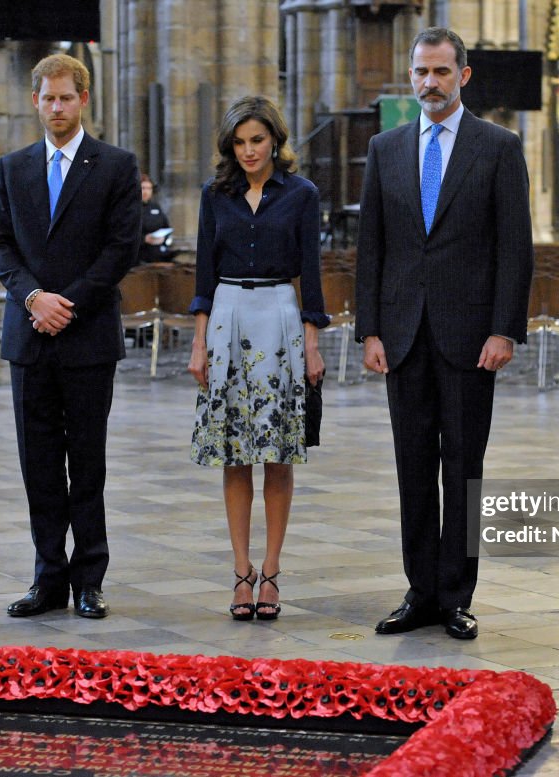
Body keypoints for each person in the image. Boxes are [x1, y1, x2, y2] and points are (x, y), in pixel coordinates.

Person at [355, 27, 533, 640]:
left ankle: (457, 594)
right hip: (402, 335)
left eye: (440, 72)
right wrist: (369, 329)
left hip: (468, 337)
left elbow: (515, 248)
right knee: (411, 466)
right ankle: (420, 590)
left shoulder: (498, 147)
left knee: (462, 466)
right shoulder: (386, 147)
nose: (428, 83)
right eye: (420, 72)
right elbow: (372, 246)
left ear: (464, 75)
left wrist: (505, 329)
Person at [0, 53, 141, 620]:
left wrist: (66, 303)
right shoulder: (12, 167)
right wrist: (33, 298)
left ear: (84, 100)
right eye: (48, 98)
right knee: (40, 462)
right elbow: (0, 244)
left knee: (88, 462)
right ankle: (47, 576)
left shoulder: (115, 165)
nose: (57, 107)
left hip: (87, 335)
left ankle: (88, 579)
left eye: (67, 98)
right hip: (29, 336)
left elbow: (121, 248)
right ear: (35, 101)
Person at [187, 96, 327, 621]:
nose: (249, 150)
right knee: (233, 451)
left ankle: (271, 571)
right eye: (240, 142)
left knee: (278, 451)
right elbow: (203, 273)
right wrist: (199, 342)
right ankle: (240, 571)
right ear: (230, 145)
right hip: (226, 313)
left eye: (258, 140)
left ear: (275, 141)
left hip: (280, 315)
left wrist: (312, 344)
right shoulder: (214, 195)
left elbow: (310, 275)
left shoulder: (302, 194)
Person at [139, 173, 174, 264]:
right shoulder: (132, 208)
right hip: (141, 255)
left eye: (149, 188)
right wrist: (144, 239)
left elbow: (166, 227)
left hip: (159, 252)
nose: (146, 192)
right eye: (143, 188)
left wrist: (164, 239)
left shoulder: (155, 207)